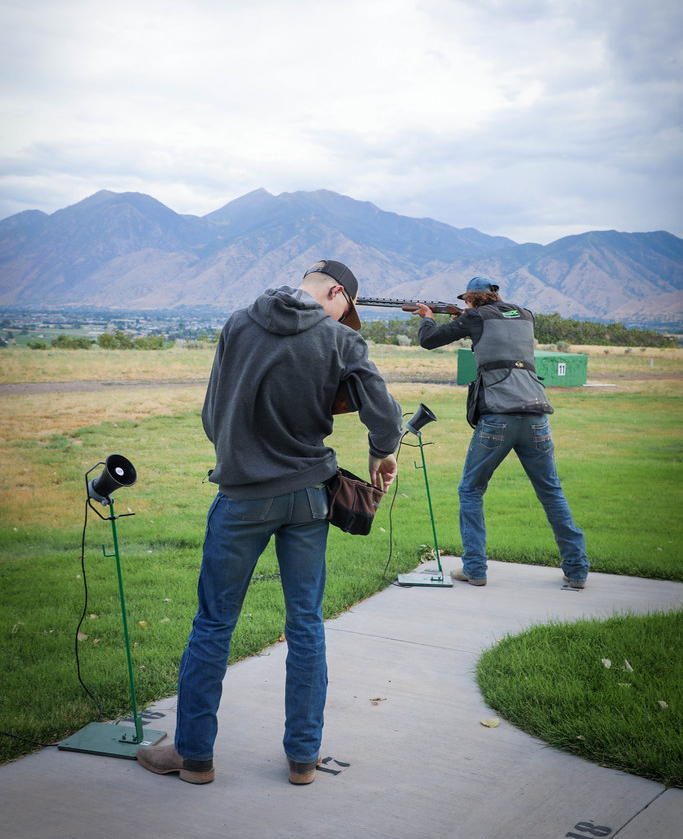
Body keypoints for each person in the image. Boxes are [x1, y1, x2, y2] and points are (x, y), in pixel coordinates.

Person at [136, 259, 402, 787]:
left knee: (213, 625)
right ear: (336, 292)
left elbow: (212, 415)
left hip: (240, 500)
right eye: (345, 307)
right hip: (308, 499)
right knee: (305, 624)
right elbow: (387, 418)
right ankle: (303, 760)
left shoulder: (238, 322)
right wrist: (381, 454)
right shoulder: (340, 342)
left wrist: (245, 450)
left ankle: (193, 758)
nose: (344, 317)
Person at [413, 275, 589, 590]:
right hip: (536, 413)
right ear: (494, 294)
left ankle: (475, 570)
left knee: (470, 490)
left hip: (498, 416)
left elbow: (429, 340)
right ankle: (577, 571)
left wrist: (428, 317)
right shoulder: (525, 314)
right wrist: (464, 315)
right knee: (552, 493)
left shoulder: (474, 317)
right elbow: (499, 324)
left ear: (471, 299)